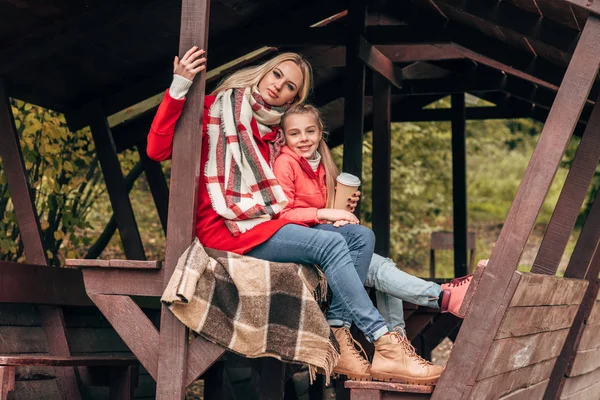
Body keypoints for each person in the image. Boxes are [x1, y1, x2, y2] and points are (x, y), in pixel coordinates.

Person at [146, 47, 446, 384]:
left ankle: (339, 335)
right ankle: (384, 343)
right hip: (227, 229)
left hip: (266, 225)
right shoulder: (215, 110)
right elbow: (157, 150)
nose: (279, 86)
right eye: (277, 75)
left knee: (361, 236)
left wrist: (334, 204)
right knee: (329, 245)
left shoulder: (278, 135)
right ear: (264, 72)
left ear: (292, 100)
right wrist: (179, 86)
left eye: (290, 86)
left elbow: (296, 192)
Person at [272, 103, 479, 377]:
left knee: (375, 254)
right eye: (295, 133)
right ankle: (440, 299)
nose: (304, 138)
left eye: (310, 131)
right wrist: (326, 212)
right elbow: (284, 214)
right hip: (303, 243)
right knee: (377, 265)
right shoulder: (286, 162)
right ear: (284, 137)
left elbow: (319, 216)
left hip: (320, 237)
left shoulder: (319, 165)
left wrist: (341, 210)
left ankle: (401, 344)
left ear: (321, 132)